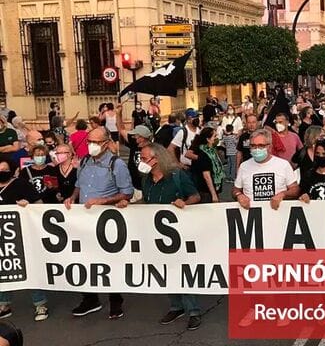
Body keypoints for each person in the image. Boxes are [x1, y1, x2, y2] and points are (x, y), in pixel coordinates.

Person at [64, 126, 134, 319]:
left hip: (106, 222)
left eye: (95, 142)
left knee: (109, 262)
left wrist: (102, 201)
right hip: (84, 221)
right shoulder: (85, 161)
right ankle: (90, 299)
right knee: (84, 260)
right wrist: (72, 197)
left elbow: (127, 192)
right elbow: (79, 185)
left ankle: (115, 300)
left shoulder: (116, 164)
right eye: (89, 142)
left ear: (105, 143)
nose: (91, 145)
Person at [139, 143, 202, 331]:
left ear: (156, 159)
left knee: (183, 270)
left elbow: (195, 196)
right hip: (156, 235)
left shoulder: (176, 176)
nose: (141, 162)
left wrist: (185, 202)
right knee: (166, 270)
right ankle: (176, 306)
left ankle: (194, 311)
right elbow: (147, 200)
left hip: (178, 234)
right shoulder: (146, 179)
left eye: (144, 158)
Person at [0, 160, 48, 322]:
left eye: (5, 169)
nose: (2, 172)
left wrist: (28, 206)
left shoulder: (21, 184)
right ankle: (3, 304)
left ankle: (40, 304)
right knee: (4, 270)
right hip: (3, 238)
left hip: (23, 235)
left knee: (29, 268)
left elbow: (39, 204)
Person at [232, 129, 300, 210]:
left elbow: (295, 189)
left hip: (277, 214)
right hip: (252, 214)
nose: (256, 149)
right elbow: (236, 189)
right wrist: (238, 195)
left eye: (261, 145)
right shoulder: (244, 166)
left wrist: (283, 194)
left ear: (269, 147)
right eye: (253, 146)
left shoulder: (283, 165)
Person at [117, 104, 153, 190]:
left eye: (135, 135)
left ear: (141, 137)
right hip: (133, 184)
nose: (133, 136)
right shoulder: (134, 143)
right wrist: (119, 114)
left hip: (147, 185)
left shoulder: (153, 148)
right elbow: (121, 129)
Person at [189, 127, 223, 203]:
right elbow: (206, 176)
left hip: (214, 189)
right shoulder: (204, 154)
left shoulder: (212, 151)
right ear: (208, 139)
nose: (216, 138)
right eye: (215, 136)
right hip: (206, 192)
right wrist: (213, 194)